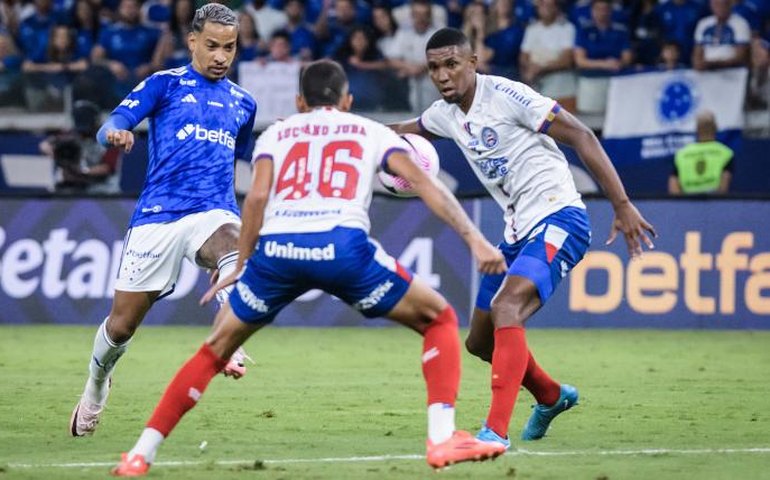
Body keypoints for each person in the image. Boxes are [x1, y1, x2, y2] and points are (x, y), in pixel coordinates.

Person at [109, 59, 508, 476]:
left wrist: (242, 264)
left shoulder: (277, 134)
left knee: (214, 351)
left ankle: (141, 454)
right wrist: (476, 240)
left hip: (278, 254)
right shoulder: (369, 130)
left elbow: (257, 199)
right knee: (440, 318)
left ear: (299, 102)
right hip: (342, 248)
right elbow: (428, 185)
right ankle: (442, 437)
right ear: (348, 100)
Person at [391, 27, 656, 450]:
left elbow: (582, 135)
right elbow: (401, 128)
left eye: (452, 64)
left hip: (560, 218)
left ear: (473, 63)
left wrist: (622, 204)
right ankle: (551, 396)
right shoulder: (445, 114)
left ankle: (494, 432)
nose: (442, 75)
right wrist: (345, 133)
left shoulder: (509, 97)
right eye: (434, 68)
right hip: (517, 233)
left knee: (507, 306)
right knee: (479, 342)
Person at [69, 3, 257, 438]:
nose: (220, 56)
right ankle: (96, 387)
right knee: (121, 326)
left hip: (212, 212)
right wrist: (115, 132)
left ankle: (229, 340)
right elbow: (112, 123)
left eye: (229, 48)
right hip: (159, 217)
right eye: (211, 46)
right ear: (192, 41)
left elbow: (247, 155)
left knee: (235, 243)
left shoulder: (243, 103)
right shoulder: (164, 84)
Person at [40, 99, 122, 194]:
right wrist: (56, 155)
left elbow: (106, 168)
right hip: (78, 188)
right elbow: (44, 145)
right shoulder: (71, 135)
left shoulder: (110, 138)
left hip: (104, 190)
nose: (83, 133)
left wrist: (81, 171)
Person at [668, 110, 733, 194]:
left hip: (686, 203)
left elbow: (673, 187)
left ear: (697, 129)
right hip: (714, 203)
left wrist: (683, 204)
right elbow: (724, 185)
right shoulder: (725, 153)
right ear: (715, 127)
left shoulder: (681, 154)